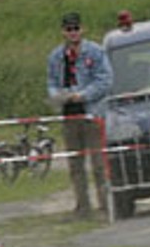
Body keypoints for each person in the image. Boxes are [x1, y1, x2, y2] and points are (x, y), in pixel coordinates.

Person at [44, 12, 113, 218]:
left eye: (76, 28)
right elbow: (51, 82)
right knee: (75, 164)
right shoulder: (55, 56)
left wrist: (82, 95)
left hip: (91, 113)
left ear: (82, 30)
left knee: (99, 163)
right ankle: (83, 207)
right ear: (63, 32)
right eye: (68, 29)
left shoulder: (95, 52)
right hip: (69, 116)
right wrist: (57, 96)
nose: (72, 33)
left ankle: (105, 205)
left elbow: (105, 81)